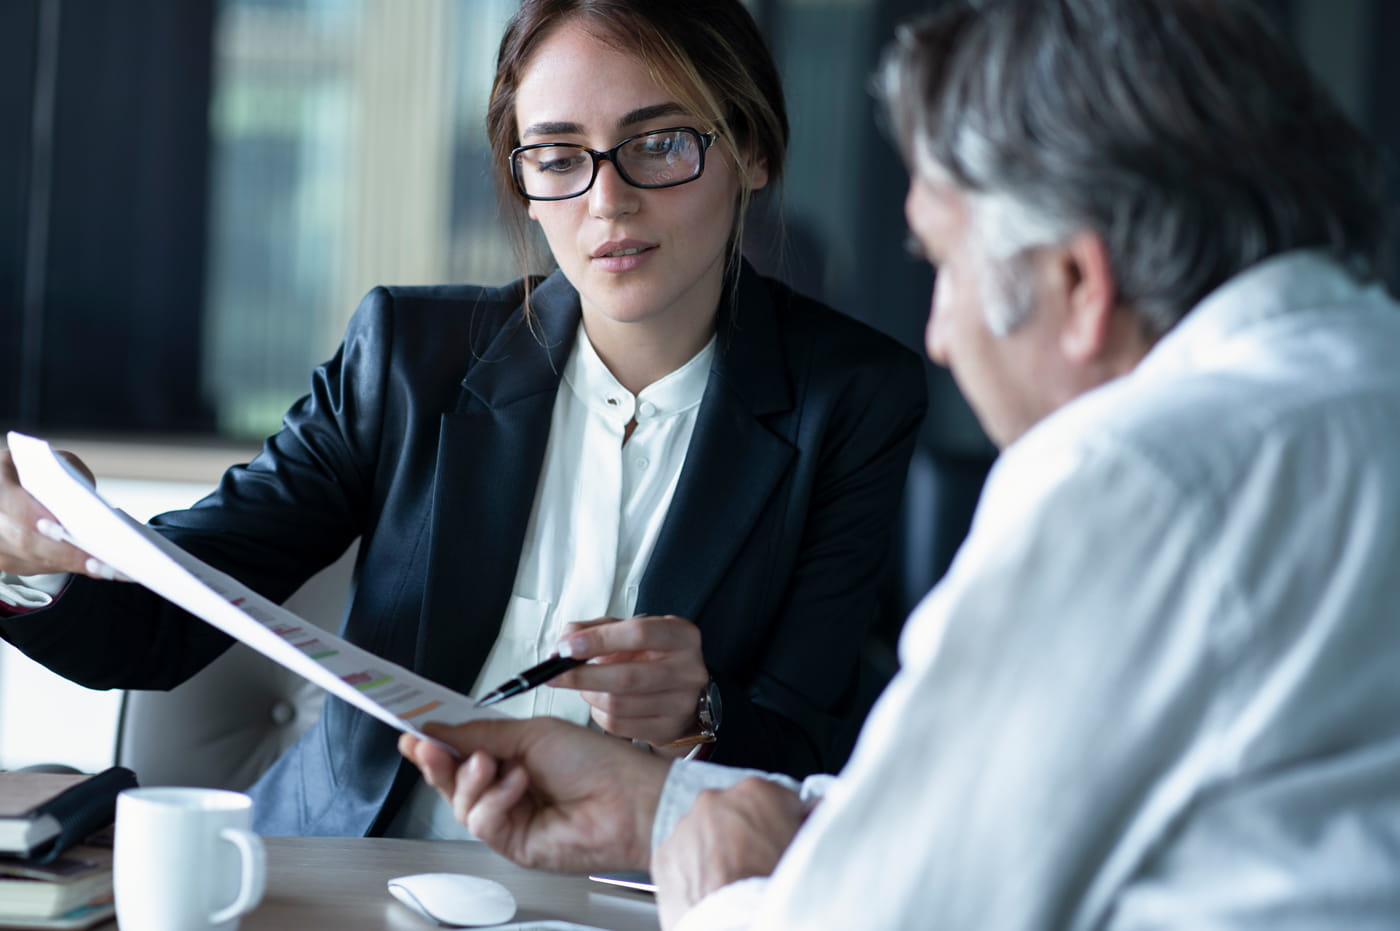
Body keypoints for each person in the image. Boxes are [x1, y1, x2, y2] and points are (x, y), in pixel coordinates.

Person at [399, 0, 1400, 927]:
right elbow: (990, 809)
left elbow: (889, 914)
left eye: (943, 265)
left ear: (1073, 281)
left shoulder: (1133, 477)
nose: (940, 335)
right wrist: (661, 805)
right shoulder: (1361, 388)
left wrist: (713, 889)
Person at [0, 0, 926, 837]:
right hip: (350, 877)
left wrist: (701, 715)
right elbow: (162, 623)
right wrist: (33, 557)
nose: (608, 200)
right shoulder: (409, 355)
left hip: (637, 896)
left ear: (753, 151)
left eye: (659, 142)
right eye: (559, 157)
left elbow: (813, 745)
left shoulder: (850, 397)